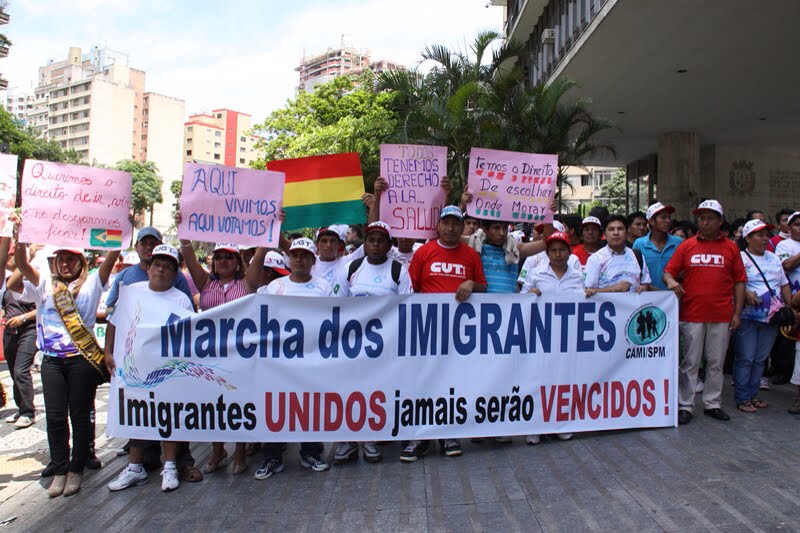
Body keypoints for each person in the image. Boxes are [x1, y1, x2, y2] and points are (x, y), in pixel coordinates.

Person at [9, 242, 119, 498]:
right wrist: (22, 238)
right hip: (52, 361)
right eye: (61, 259)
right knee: (56, 417)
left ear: (82, 262)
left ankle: (76, 469)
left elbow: (113, 256)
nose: (66, 263)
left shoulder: (93, 283)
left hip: (82, 360)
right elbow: (23, 266)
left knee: (79, 415)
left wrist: (121, 229)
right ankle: (59, 469)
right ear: (55, 262)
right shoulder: (45, 284)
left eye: (72, 259)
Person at [104, 245, 193, 493]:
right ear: (149, 268)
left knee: (170, 415)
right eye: (157, 265)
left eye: (167, 266)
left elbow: (188, 334)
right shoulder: (132, 292)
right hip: (135, 369)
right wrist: (108, 351)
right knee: (137, 415)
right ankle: (135, 468)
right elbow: (113, 323)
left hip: (167, 369)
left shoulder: (181, 299)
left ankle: (171, 466)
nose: (161, 270)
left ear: (175, 273)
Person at [404, 206, 487, 461]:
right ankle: (421, 437)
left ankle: (448, 432)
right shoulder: (424, 252)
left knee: (452, 382)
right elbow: (411, 289)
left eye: (456, 224)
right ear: (438, 226)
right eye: (446, 223)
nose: (451, 228)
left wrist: (472, 284)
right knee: (426, 382)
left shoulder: (471, 255)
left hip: (460, 333)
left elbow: (484, 289)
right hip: (428, 330)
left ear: (463, 227)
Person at [253, 238, 333, 480]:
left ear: (312, 260)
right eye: (295, 255)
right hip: (279, 361)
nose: (299, 259)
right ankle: (272, 457)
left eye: (305, 255)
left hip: (312, 357)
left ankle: (311, 452)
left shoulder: (324, 287)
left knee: (311, 405)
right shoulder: (275, 286)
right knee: (276, 405)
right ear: (289, 259)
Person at [334, 222, 412, 464]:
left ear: (389, 245)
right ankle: (348, 440)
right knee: (351, 391)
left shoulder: (399, 271)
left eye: (381, 240)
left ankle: (369, 439)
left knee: (376, 392)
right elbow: (337, 305)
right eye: (371, 240)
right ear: (365, 243)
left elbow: (408, 307)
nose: (375, 244)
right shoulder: (351, 268)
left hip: (386, 346)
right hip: (354, 345)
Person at [663, 199, 746, 425]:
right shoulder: (687, 245)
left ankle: (712, 403)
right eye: (701, 217)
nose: (704, 221)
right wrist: (671, 282)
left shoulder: (730, 247)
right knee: (690, 361)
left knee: (716, 362)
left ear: (720, 221)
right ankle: (686, 405)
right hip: (692, 314)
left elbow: (740, 281)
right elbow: (668, 272)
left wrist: (737, 312)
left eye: (710, 218)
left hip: (721, 315)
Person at [179, 239, 251, 476]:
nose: (223, 261)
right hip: (209, 354)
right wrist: (184, 237)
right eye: (218, 256)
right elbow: (188, 255)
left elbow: (262, 251)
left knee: (240, 404)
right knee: (214, 404)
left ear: (238, 261)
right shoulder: (204, 283)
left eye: (229, 256)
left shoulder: (248, 282)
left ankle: (240, 452)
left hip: (240, 353)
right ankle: (218, 451)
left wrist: (272, 227)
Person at [520, 231, 583, 444]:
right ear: (547, 253)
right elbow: (522, 300)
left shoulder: (576, 276)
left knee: (562, 380)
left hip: (566, 339)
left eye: (562, 250)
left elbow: (584, 303)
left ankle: (560, 424)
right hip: (540, 337)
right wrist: (530, 295)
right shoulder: (536, 273)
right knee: (538, 380)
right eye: (554, 250)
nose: (558, 254)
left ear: (569, 252)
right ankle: (534, 427)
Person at [734, 220, 790, 413]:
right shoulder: (740, 258)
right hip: (748, 317)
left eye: (767, 234)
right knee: (746, 358)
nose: (765, 238)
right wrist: (747, 295)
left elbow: (783, 285)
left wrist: (790, 307)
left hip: (771, 318)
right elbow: (734, 284)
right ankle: (742, 397)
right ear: (748, 238)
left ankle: (753, 394)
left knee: (760, 359)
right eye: (760, 235)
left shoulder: (774, 259)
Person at [2, 239, 37, 429]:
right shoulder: (5, 280)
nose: (8, 259)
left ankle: (28, 412)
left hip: (29, 330)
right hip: (10, 331)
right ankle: (21, 406)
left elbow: (43, 307)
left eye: (12, 255)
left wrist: (24, 318)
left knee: (21, 370)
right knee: (13, 369)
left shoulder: (31, 279)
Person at [585, 215, 651, 295]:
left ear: (627, 233)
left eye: (620, 229)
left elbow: (645, 283)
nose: (616, 233)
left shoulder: (637, 256)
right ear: (605, 235)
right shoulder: (595, 259)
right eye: (611, 229)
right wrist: (613, 289)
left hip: (635, 306)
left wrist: (643, 288)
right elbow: (587, 291)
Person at [774, 211, 800, 385]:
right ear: (789, 228)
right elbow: (787, 266)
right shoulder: (785, 245)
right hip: (793, 300)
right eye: (797, 224)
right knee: (788, 343)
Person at [633, 202, 683, 291]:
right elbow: (634, 274)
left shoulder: (678, 242)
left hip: (674, 299)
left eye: (669, 217)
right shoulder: (639, 244)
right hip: (647, 300)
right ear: (651, 221)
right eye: (663, 217)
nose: (668, 221)